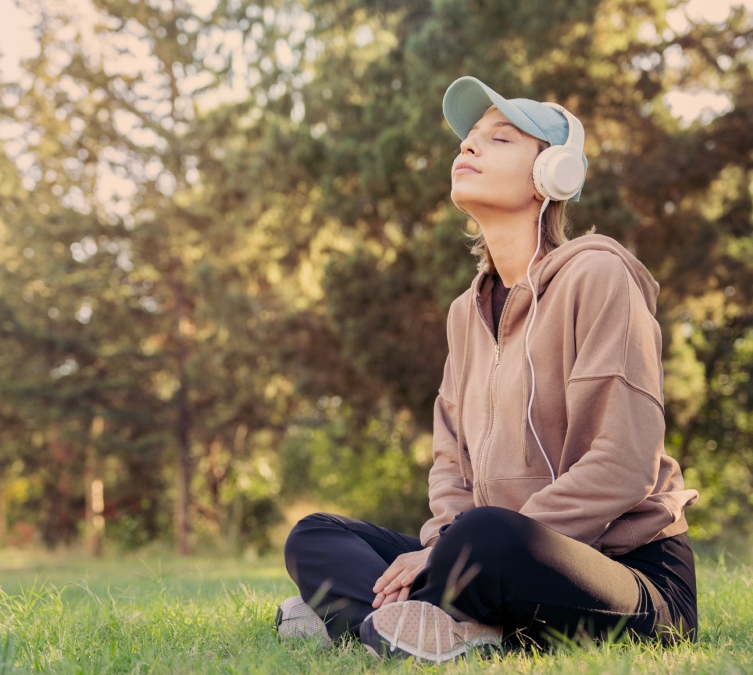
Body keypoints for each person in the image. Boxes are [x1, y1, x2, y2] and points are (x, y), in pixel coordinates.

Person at [274, 76, 700, 663]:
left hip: (623, 575)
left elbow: (624, 465)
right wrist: (440, 545)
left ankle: (365, 617)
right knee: (316, 535)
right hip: (484, 558)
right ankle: (438, 624)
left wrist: (447, 551)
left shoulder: (599, 275)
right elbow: (450, 467)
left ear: (552, 174)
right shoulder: (464, 313)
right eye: (468, 139)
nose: (467, 148)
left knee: (486, 536)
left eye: (498, 139)